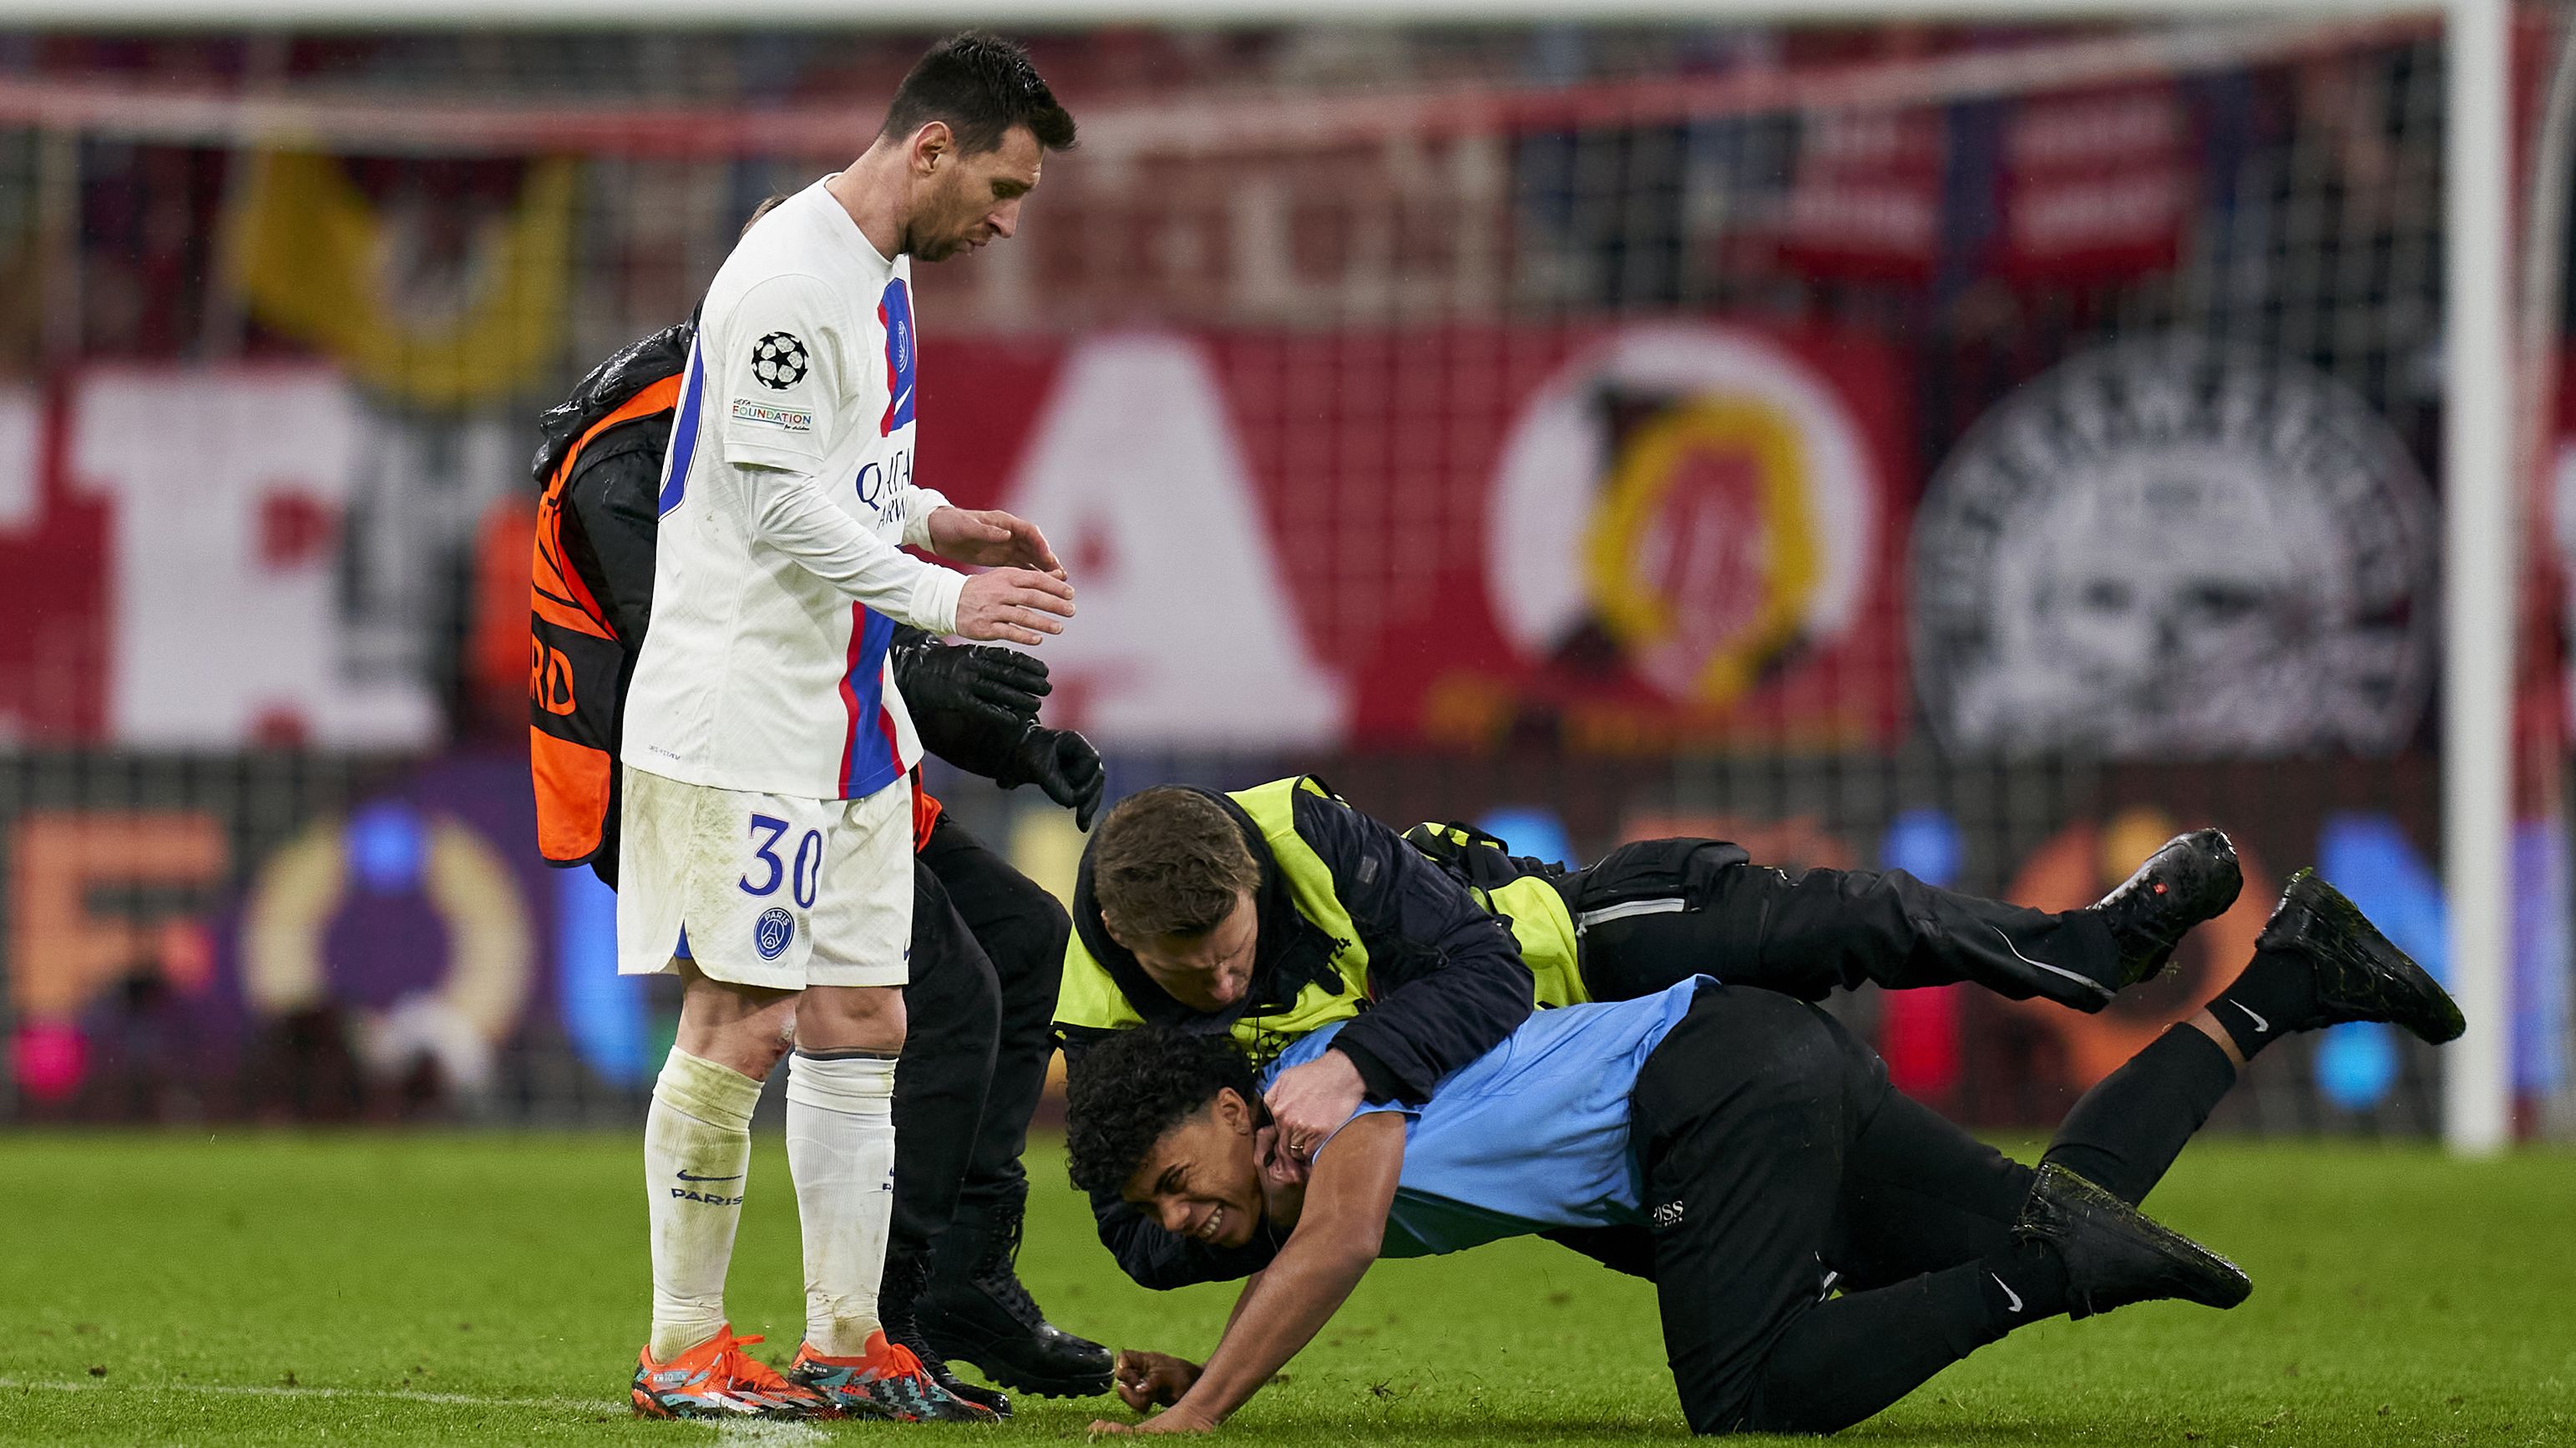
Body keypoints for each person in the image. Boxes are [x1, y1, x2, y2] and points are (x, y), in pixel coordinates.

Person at [1064, 870, 2465, 1436]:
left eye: (1173, 1179)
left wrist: (1205, 1417)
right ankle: (2288, 976)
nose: (1181, 1219)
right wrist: (1208, 1367)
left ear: (1231, 1110)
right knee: (2034, 1207)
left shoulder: (1318, 1094)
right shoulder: (1291, 1159)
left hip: (1715, 1093)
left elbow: (1347, 1236)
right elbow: (1314, 1246)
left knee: (1742, 1394)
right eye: (1160, 1213)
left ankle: (2046, 1271)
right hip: (1747, 1069)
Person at [610, 32, 1081, 1422]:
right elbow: (766, 504)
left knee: (865, 1015)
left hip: (846, 716)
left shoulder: (875, 269)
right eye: (999, 185)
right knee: (739, 1019)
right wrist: (947, 592)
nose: (1004, 219)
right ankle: (682, 1341)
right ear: (928, 146)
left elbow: (838, 468)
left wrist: (933, 512)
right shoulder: (780, 274)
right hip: (743, 712)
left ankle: (843, 1335)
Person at [531, 316, 1116, 1412]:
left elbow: (838, 606)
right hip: (702, 767)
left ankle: (953, 1285)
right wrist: (929, 646)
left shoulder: (791, 395)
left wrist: (1005, 736)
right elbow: (712, 631)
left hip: (827, 751)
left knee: (1017, 938)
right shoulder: (633, 446)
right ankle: (847, 1321)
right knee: (896, 1004)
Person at [1053, 776, 2241, 1289]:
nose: (1221, 979)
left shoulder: (1296, 830)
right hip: (1532, 1124)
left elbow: (1483, 970)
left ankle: (2084, 948)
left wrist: (1354, 1064)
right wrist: (1247, 1210)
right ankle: (2058, 1240)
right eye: (1185, 966)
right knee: (1799, 1246)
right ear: (1117, 927)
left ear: (1246, 876)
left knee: (1838, 917)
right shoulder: (1096, 1005)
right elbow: (1131, 1234)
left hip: (1575, 947)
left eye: (1234, 943)